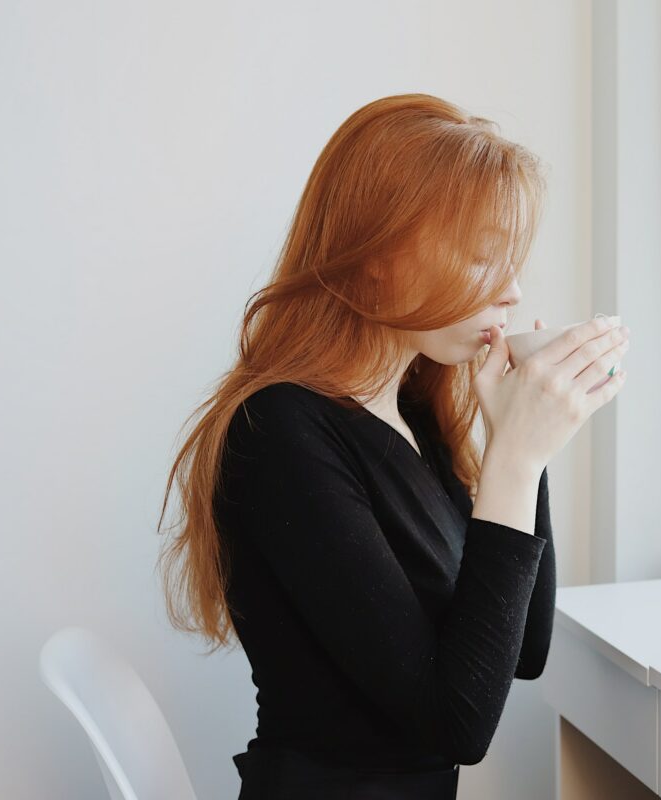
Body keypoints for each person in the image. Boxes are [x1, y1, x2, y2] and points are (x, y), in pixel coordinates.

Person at [156, 93, 630, 799]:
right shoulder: (280, 431)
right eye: (482, 257)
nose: (513, 290)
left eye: (513, 260)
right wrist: (516, 460)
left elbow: (523, 652)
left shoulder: (413, 414)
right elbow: (456, 726)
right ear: (377, 257)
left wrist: (522, 441)